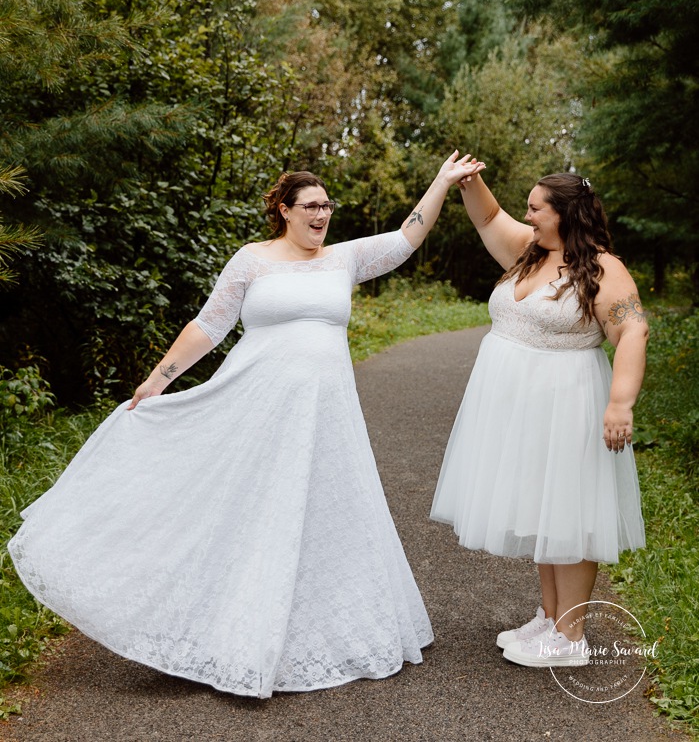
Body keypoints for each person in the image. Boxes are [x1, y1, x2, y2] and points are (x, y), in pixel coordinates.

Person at [9, 151, 482, 699]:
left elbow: (407, 237)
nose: (322, 214)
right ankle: (214, 627)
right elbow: (209, 325)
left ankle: (312, 628)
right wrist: (158, 380)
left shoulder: (344, 260)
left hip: (327, 416)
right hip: (254, 407)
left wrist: (442, 182)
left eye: (327, 205)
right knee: (243, 512)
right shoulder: (251, 260)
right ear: (284, 210)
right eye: (311, 205)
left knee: (324, 517)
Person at [431, 166, 648, 668]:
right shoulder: (530, 251)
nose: (525, 215)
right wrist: (468, 182)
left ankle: (571, 637)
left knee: (569, 511)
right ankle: (551, 616)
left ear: (565, 214)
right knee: (544, 508)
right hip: (517, 408)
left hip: (566, 403)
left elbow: (632, 332)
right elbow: (487, 217)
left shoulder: (601, 268)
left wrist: (621, 403)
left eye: (535, 208)